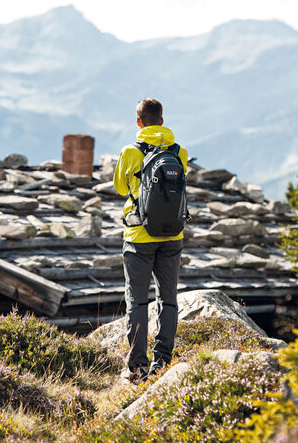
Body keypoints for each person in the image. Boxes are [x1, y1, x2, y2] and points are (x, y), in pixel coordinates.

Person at [113, 98, 188, 382]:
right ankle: (164, 361)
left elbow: (121, 188)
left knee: (137, 299)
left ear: (138, 122)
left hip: (138, 236)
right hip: (173, 234)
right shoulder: (180, 152)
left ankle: (137, 365)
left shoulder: (130, 152)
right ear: (162, 120)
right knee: (168, 298)